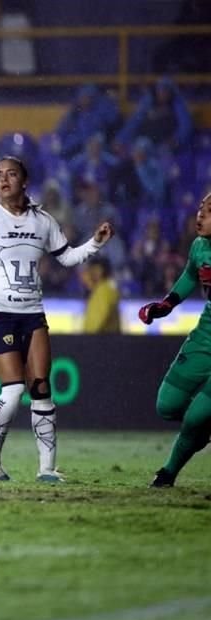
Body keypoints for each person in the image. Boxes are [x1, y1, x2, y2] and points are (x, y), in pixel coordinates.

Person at [0, 156, 113, 482]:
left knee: (41, 388)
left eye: (10, 174)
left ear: (24, 181)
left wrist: (94, 243)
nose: (3, 180)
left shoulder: (43, 221)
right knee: (13, 389)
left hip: (32, 314)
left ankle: (47, 469)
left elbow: (66, 258)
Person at [138, 192, 211, 488]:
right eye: (200, 209)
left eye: (208, 211)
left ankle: (168, 473)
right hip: (206, 333)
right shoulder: (199, 246)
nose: (200, 215)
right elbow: (190, 276)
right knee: (167, 405)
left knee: (196, 417)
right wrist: (165, 305)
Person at [81, 256, 120, 334]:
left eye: (88, 271)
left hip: (101, 342)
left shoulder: (104, 292)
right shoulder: (101, 290)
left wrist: (86, 341)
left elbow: (95, 325)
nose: (84, 276)